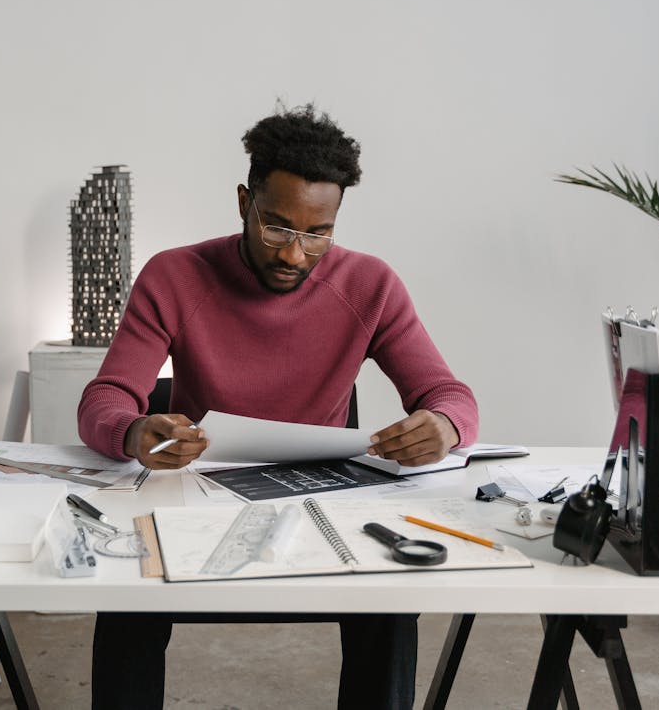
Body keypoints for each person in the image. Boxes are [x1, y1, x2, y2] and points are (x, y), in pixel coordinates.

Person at [78, 103, 479, 710]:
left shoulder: (369, 286)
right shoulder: (176, 276)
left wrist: (444, 427)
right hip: (195, 501)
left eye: (317, 233)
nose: (294, 253)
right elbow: (103, 400)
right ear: (244, 203)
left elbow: (449, 396)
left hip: (325, 503)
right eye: (277, 227)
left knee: (391, 598)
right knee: (128, 593)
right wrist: (135, 432)